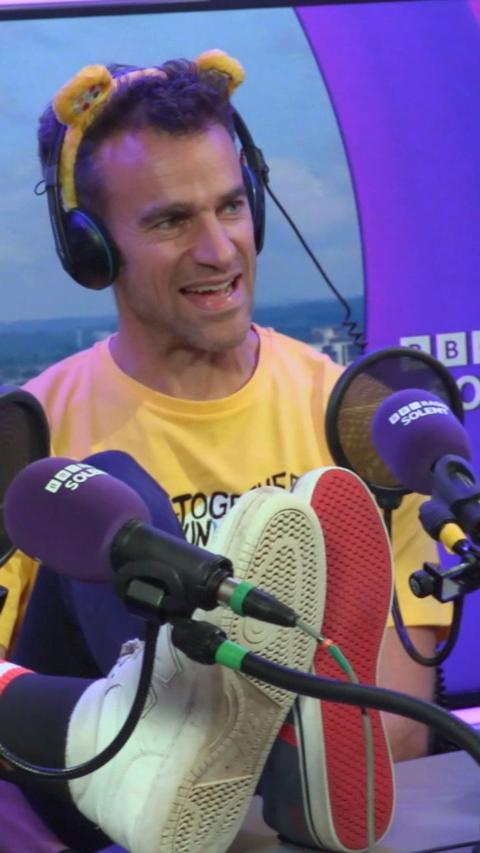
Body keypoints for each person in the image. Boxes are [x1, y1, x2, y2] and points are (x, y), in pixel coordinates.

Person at [0, 50, 451, 850]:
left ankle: (234, 766)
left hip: (300, 811)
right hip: (95, 790)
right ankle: (193, 756)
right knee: (103, 489)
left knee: (317, 513)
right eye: (172, 220)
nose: (220, 251)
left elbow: (399, 734)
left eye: (232, 206)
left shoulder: (357, 422)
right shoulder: (30, 431)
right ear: (92, 249)